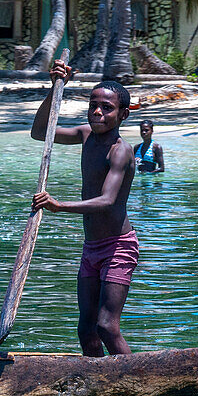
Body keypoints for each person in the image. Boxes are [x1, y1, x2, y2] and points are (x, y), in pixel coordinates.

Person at [30, 59, 137, 356]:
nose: (98, 112)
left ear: (123, 115)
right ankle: (99, 381)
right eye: (93, 106)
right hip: (92, 247)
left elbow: (107, 201)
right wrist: (55, 89)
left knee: (106, 326)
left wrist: (58, 205)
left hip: (119, 247)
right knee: (86, 329)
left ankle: (134, 378)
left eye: (107, 108)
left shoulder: (122, 151)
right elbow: (41, 132)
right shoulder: (85, 135)